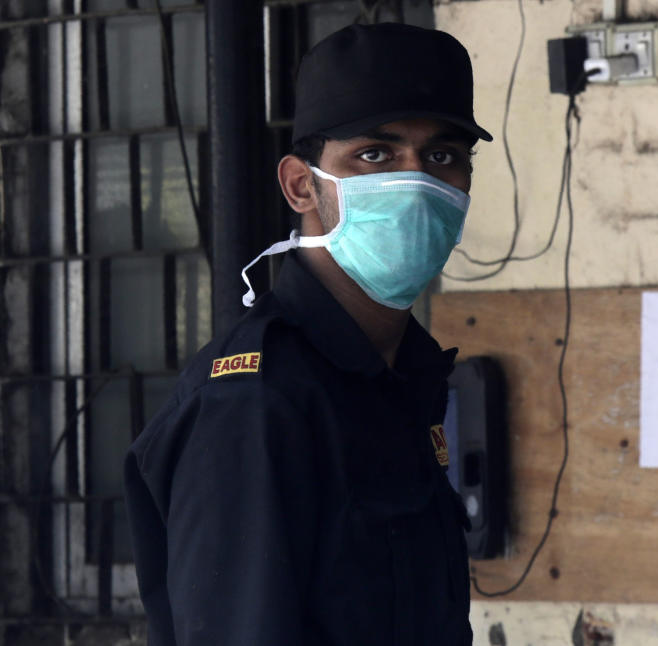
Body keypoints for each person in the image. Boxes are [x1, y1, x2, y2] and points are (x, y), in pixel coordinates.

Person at [123, 22, 492, 646]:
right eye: (375, 155)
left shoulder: (405, 374)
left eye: (443, 156)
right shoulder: (257, 403)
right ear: (301, 186)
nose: (417, 182)